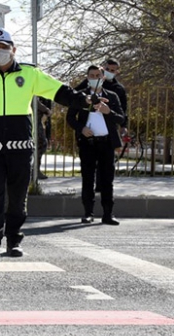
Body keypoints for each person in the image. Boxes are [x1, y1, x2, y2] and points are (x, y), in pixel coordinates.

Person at [0, 28, 93, 261]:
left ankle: (14, 240)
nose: (0, 52)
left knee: (17, 198)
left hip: (20, 148)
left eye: (4, 48)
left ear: (13, 50)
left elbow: (59, 91)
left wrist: (85, 100)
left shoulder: (30, 74)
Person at [66, 65, 124, 226]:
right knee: (88, 178)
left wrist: (108, 111)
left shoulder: (111, 96)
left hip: (106, 143)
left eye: (98, 75)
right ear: (87, 77)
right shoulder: (81, 96)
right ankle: (88, 213)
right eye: (91, 75)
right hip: (88, 143)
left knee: (107, 179)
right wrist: (81, 129)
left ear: (103, 77)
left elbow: (121, 118)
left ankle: (108, 214)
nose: (95, 78)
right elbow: (70, 118)